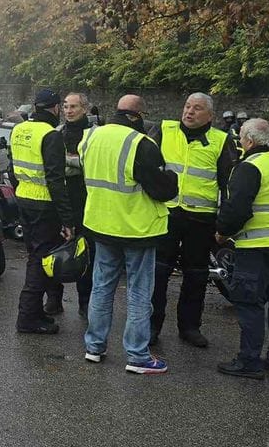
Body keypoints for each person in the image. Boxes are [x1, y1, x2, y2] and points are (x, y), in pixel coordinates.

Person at [80, 94, 178, 374]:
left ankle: (94, 347)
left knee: (101, 288)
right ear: (137, 116)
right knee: (138, 292)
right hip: (136, 229)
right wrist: (172, 177)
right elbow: (162, 189)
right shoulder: (142, 144)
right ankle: (137, 356)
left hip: (101, 224)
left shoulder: (91, 137)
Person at [151, 93, 236, 348]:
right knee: (158, 272)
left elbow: (228, 184)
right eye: (187, 106)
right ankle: (152, 326)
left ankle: (190, 327)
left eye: (197, 109)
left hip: (200, 218)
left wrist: (224, 222)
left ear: (210, 116)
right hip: (165, 213)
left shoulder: (221, 140)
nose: (189, 112)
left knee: (196, 275)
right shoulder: (164, 130)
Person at [215, 119, 269, 379]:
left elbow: (237, 208)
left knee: (250, 303)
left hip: (256, 248)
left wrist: (222, 232)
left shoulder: (250, 167)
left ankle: (249, 361)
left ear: (248, 141)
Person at [9, 89, 74, 334]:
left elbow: (11, 167)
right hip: (44, 205)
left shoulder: (20, 129)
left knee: (34, 255)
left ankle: (36, 314)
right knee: (40, 261)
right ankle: (27, 318)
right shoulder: (51, 135)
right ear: (55, 108)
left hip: (24, 199)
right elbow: (56, 180)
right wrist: (67, 220)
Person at [44, 92, 94, 318]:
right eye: (65, 106)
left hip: (86, 199)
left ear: (85, 108)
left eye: (74, 106)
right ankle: (54, 300)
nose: (68, 110)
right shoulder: (56, 133)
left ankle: (85, 302)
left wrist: (66, 161)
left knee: (85, 253)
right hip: (61, 198)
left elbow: (91, 163)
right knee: (55, 250)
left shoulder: (94, 134)